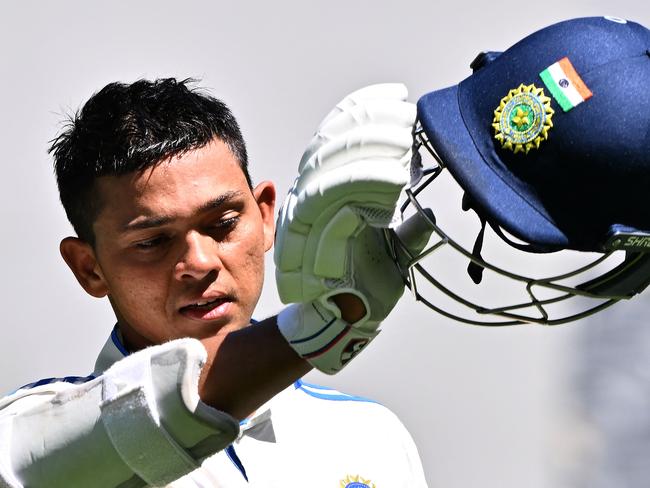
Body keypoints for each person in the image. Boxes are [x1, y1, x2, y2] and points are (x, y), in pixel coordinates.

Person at [0, 79, 428, 487]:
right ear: (89, 268)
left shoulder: (375, 437)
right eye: (152, 242)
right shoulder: (24, 442)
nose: (199, 263)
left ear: (264, 218)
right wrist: (325, 327)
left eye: (223, 224)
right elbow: (143, 419)